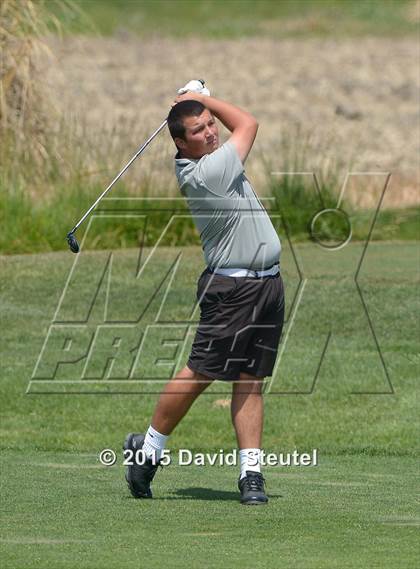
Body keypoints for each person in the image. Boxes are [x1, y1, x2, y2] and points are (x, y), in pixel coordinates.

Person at [124, 83, 285, 505]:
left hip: (267, 284)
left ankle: (251, 474)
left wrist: (196, 101)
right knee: (201, 373)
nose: (211, 132)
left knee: (251, 379)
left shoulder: (211, 160)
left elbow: (236, 128)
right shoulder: (206, 173)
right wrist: (205, 96)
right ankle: (149, 451)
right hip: (234, 289)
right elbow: (248, 122)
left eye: (211, 124)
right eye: (198, 129)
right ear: (180, 142)